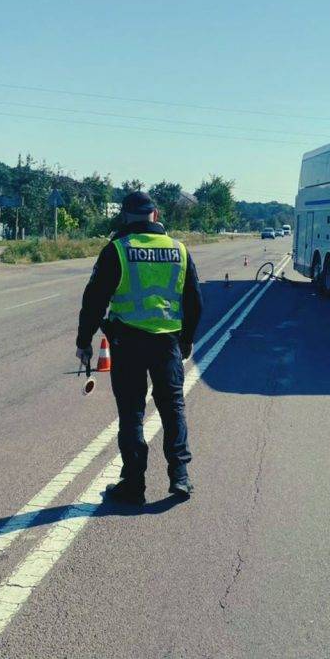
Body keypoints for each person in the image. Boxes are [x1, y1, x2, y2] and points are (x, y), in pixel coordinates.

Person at [76, 191, 203, 504]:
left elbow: (94, 300)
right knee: (172, 408)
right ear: (155, 216)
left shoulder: (117, 250)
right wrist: (186, 339)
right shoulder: (179, 250)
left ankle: (133, 484)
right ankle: (180, 477)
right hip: (167, 343)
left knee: (132, 412)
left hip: (128, 343)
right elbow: (194, 303)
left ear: (124, 217)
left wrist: (84, 342)